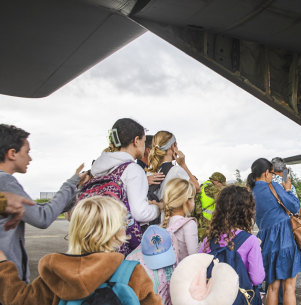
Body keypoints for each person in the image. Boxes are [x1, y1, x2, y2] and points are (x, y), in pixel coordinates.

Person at [0, 196, 161, 304]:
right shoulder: (132, 273)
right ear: (117, 234)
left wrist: (3, 264)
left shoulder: (55, 276)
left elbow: (17, 299)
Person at [0, 124, 84, 282]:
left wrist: (74, 190)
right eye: (27, 152)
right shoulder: (4, 181)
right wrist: (71, 182)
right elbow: (42, 217)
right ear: (12, 153)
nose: (30, 158)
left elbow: (40, 210)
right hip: (6, 281)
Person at [90, 118, 160, 252]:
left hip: (98, 239)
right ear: (136, 141)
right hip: (119, 244)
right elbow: (140, 213)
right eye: (144, 142)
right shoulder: (133, 170)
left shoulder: (100, 169)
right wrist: (159, 208)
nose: (144, 146)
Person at [247, 158, 301, 305]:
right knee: (289, 287)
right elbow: (295, 207)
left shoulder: (250, 192)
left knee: (272, 287)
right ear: (266, 173)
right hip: (285, 238)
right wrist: (288, 189)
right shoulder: (273, 186)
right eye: (271, 173)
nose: (272, 176)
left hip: (266, 241)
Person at [200, 185, 265, 289]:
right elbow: (257, 279)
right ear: (247, 211)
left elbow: (200, 270)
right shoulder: (251, 241)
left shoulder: (209, 240)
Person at [147, 130, 200, 201]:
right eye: (176, 145)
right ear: (172, 147)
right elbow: (197, 188)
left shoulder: (151, 172)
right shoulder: (176, 171)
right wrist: (183, 164)